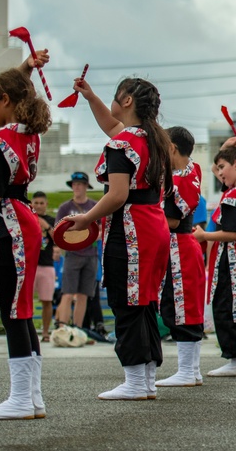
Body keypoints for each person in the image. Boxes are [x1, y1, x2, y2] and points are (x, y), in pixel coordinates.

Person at [63, 77, 172, 401]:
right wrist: (91, 97)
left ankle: (136, 381)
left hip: (130, 230)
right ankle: (146, 378)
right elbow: (111, 124)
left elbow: (118, 194)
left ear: (126, 102)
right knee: (145, 302)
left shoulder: (122, 144)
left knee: (126, 303)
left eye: (114, 97)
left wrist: (85, 217)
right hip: (153, 226)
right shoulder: (154, 140)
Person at [0, 50, 50, 420]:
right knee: (23, 311)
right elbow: (18, 88)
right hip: (23, 221)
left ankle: (22, 398)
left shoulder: (1, 140)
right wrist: (26, 68)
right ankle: (31, 397)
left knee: (14, 310)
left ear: (5, 101)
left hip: (8, 226)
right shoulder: (28, 134)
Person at [194, 146, 236, 377]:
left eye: (223, 167)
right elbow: (218, 167)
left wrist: (203, 236)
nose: (219, 173)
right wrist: (225, 149)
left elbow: (231, 233)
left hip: (233, 257)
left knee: (229, 304)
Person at [155, 127, 207, 387]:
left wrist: (145, 216)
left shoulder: (180, 179)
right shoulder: (192, 170)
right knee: (186, 307)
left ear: (172, 148)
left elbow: (173, 220)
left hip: (179, 246)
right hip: (185, 246)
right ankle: (192, 370)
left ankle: (187, 371)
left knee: (182, 308)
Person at [54, 172, 99, 332]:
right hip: (72, 255)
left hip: (91, 254)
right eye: (74, 184)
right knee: (67, 292)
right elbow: (56, 231)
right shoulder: (65, 207)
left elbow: (101, 229)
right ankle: (62, 328)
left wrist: (89, 237)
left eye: (80, 184)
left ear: (86, 186)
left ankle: (78, 329)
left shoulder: (94, 206)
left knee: (83, 295)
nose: (77, 186)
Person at [30, 192, 58, 343]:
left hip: (46, 265)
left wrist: (46, 226)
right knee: (27, 300)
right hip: (30, 266)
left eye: (42, 203)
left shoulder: (52, 221)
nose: (39, 206)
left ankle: (46, 331)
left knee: (47, 300)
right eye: (36, 203)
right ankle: (29, 330)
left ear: (46, 204)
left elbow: (58, 239)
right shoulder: (28, 219)